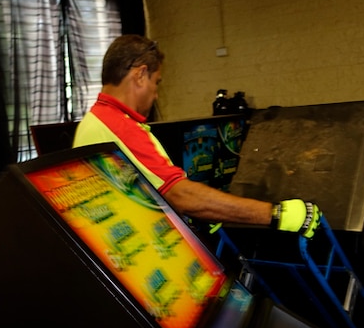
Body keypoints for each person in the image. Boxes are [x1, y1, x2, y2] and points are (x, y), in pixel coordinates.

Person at [73, 34, 322, 239]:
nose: (156, 94)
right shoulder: (118, 126)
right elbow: (180, 194)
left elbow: (144, 194)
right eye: (156, 82)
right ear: (140, 75)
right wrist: (276, 213)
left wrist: (203, 212)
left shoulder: (97, 120)